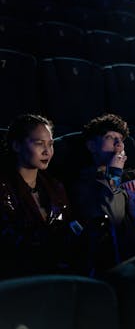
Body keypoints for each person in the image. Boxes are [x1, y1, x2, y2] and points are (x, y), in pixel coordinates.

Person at [70, 113, 135, 273]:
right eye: (110, 137)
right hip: (123, 260)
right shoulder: (86, 182)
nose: (118, 144)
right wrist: (114, 175)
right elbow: (113, 217)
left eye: (121, 139)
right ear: (91, 146)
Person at [0, 114, 85, 279]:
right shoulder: (4, 188)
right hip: (21, 277)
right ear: (17, 146)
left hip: (59, 272)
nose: (47, 151)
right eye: (39, 144)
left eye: (51, 144)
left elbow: (69, 226)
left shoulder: (55, 187)